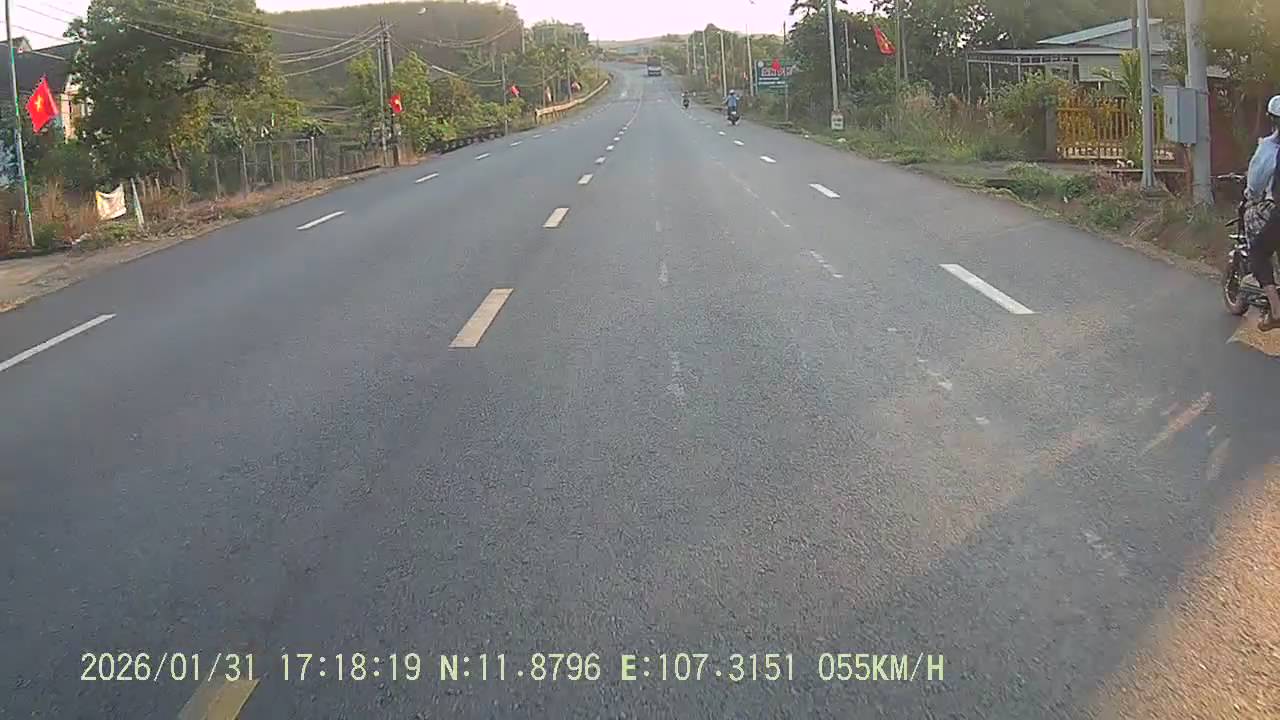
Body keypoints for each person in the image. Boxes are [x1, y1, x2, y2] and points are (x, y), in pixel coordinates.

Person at [1244, 94, 1280, 331]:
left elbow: (1255, 187)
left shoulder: (1269, 149)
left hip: (1275, 209)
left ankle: (1276, 310)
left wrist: (1250, 195)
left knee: (1257, 251)